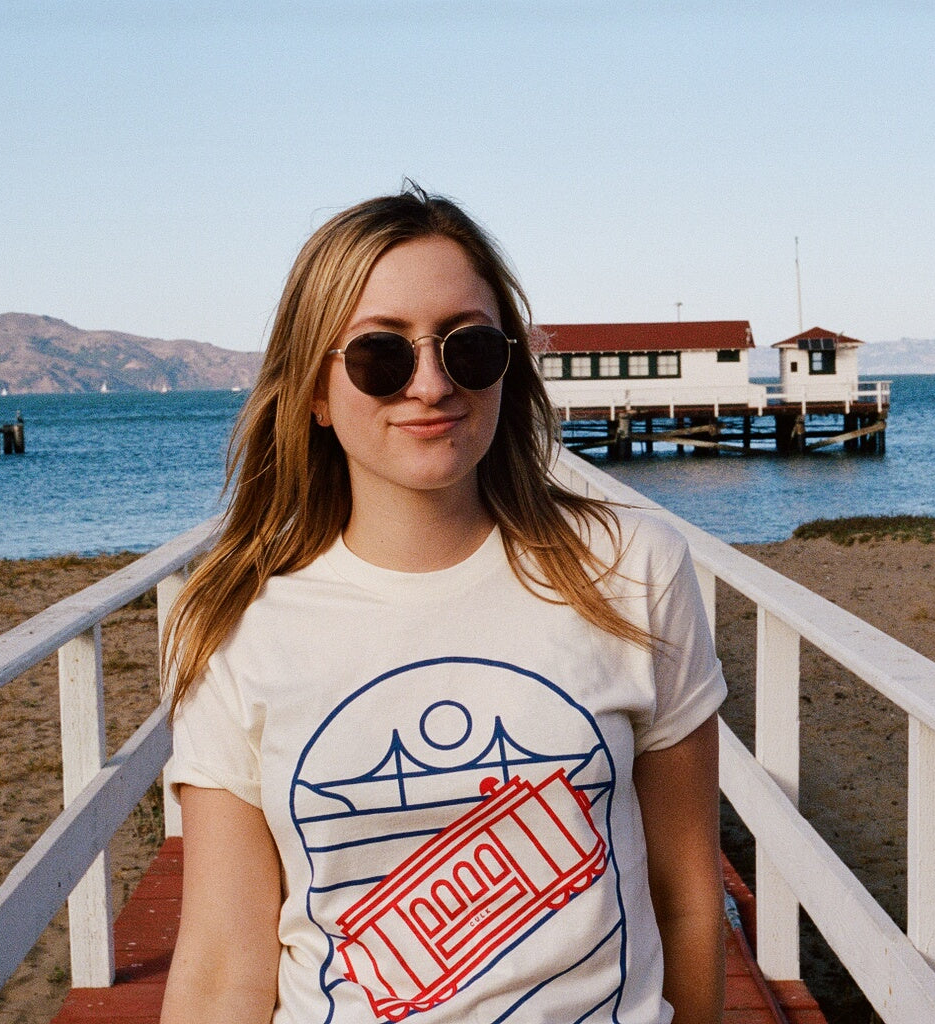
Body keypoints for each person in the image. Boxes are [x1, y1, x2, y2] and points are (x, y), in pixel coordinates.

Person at [159, 187, 726, 1024]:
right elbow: (220, 966)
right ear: (314, 392)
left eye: (468, 348)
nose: (429, 384)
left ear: (509, 367)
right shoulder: (235, 625)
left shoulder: (632, 570)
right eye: (380, 356)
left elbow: (687, 896)